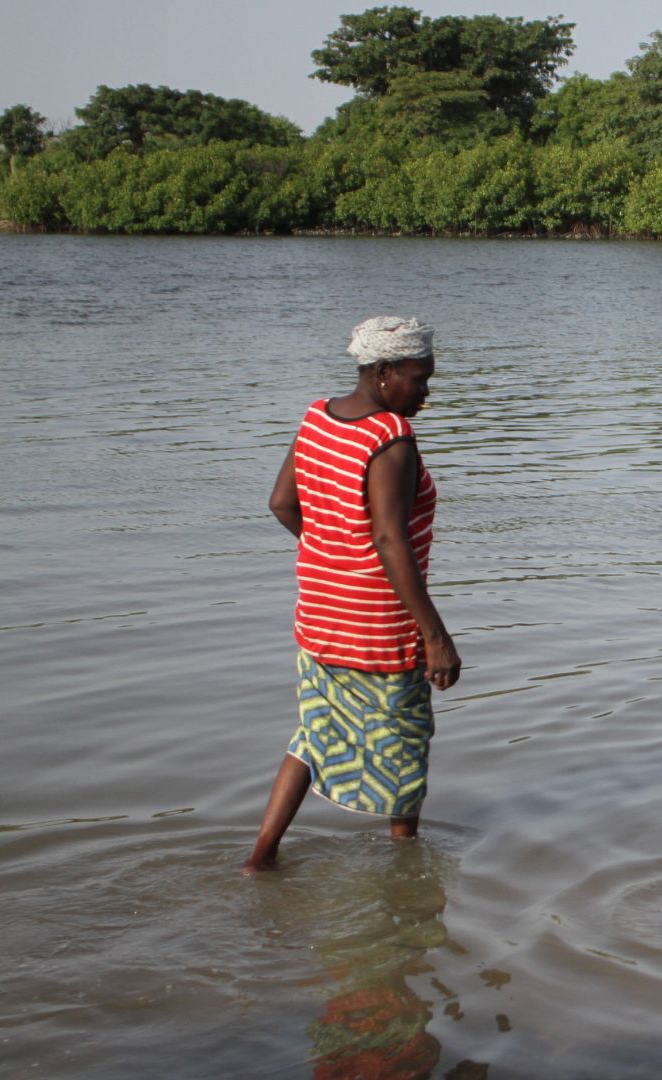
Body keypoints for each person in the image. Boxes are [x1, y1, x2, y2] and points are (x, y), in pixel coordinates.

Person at [244, 316, 462, 872]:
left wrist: (335, 556)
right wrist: (435, 636)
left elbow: (281, 503)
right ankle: (403, 875)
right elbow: (389, 538)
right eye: (419, 379)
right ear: (385, 372)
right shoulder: (390, 437)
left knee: (314, 730)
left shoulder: (317, 417)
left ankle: (261, 856)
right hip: (378, 624)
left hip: (319, 614)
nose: (425, 393)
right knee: (406, 747)